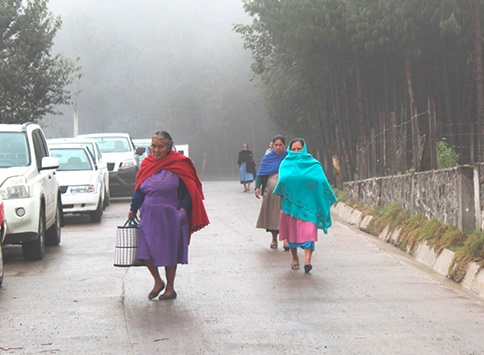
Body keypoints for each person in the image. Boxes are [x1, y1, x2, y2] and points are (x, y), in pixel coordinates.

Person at [128, 131, 209, 300]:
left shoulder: (180, 163)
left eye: (160, 147)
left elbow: (189, 190)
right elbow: (139, 189)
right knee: (145, 250)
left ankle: (170, 288)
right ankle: (158, 281)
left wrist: (183, 210)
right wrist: (133, 208)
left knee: (168, 251)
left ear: (169, 146)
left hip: (171, 215)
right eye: (154, 146)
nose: (156, 150)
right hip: (149, 214)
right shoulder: (146, 164)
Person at [274, 138, 337, 273]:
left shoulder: (313, 165)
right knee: (291, 234)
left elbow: (320, 181)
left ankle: (308, 261)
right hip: (290, 207)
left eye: (299, 149)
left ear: (305, 149)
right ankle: (295, 258)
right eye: (294, 149)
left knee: (308, 232)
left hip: (309, 206)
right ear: (290, 150)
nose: (297, 152)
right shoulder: (285, 164)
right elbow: (283, 181)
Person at [254, 135, 289, 250]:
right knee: (273, 215)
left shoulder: (289, 157)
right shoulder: (268, 158)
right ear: (272, 146)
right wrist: (257, 187)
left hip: (287, 191)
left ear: (284, 146)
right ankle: (274, 239)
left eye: (281, 145)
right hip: (271, 191)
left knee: (286, 214)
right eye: (276, 145)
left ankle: (286, 240)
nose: (278, 147)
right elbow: (261, 173)